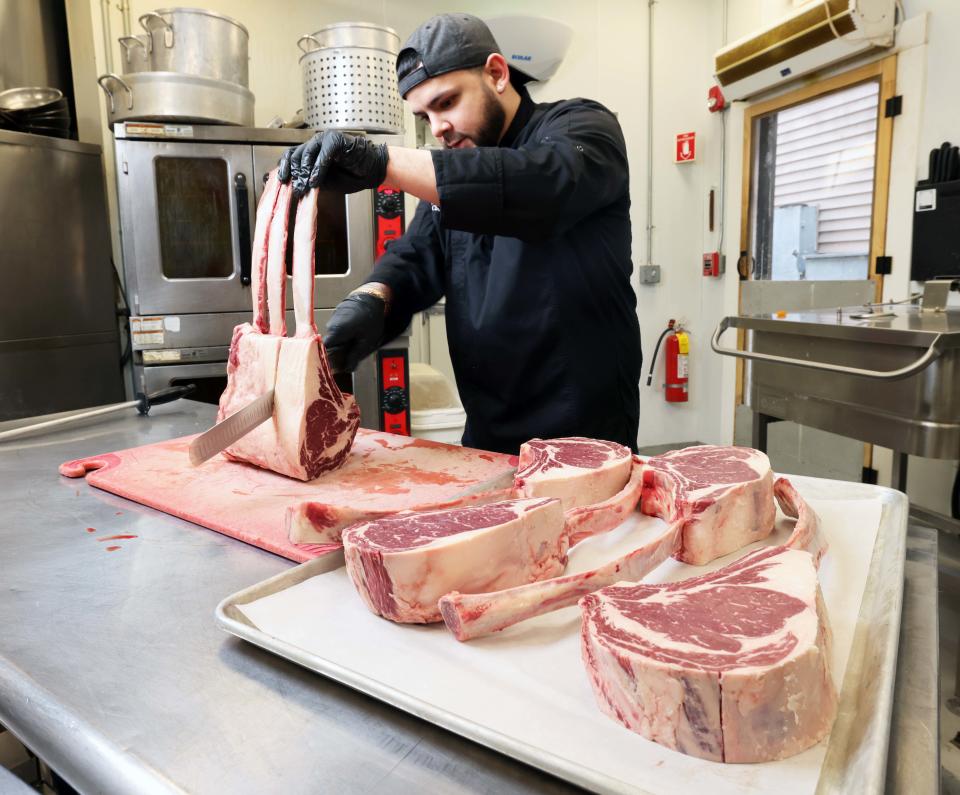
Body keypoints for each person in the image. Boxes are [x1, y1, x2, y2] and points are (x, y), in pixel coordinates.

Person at [278, 12, 641, 455]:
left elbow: (541, 185)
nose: (438, 128)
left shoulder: (581, 128)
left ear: (496, 73)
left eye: (446, 103)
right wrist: (374, 299)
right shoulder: (452, 169)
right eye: (424, 115)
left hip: (582, 436)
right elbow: (415, 257)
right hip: (487, 435)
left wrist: (383, 163)